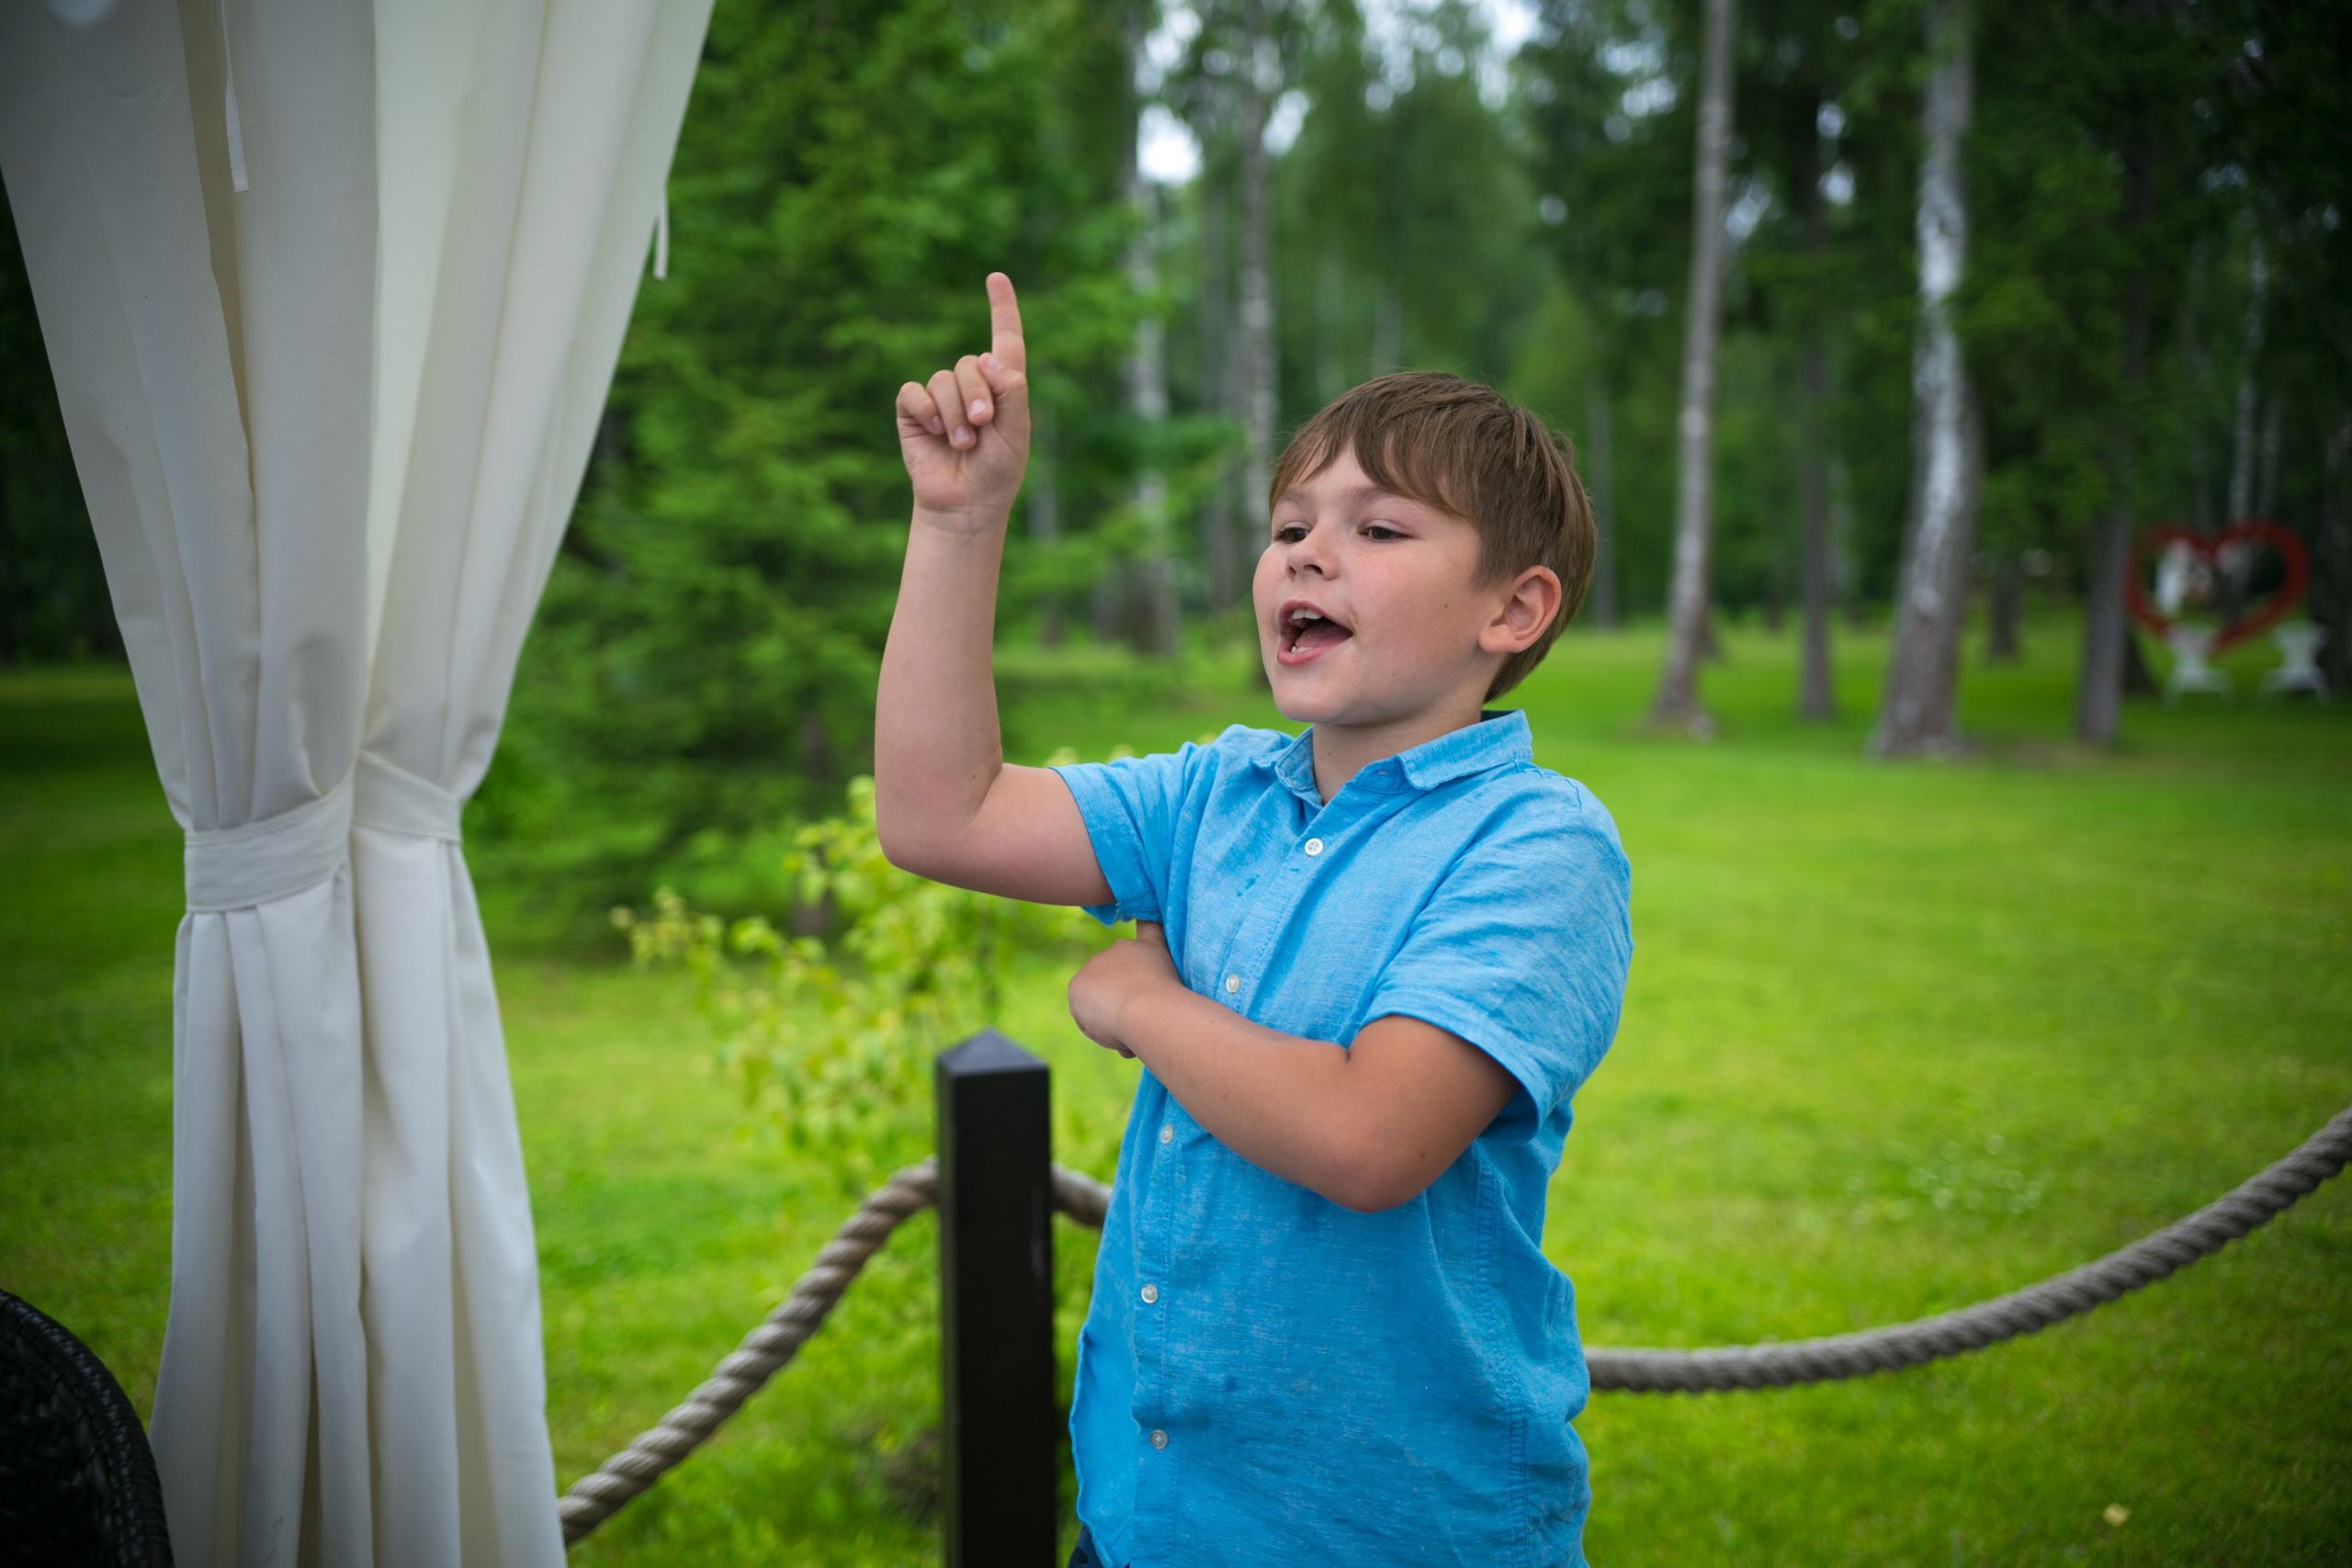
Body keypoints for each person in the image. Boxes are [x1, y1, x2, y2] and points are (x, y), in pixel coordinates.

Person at [876, 275, 1631, 1566]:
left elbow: (1369, 1135)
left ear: (1514, 609)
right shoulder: (1211, 797)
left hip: (1391, 1536)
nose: (1308, 553)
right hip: (1146, 1516)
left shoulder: (1537, 846)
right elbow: (941, 814)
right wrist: (960, 521)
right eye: (1290, 525)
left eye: (1381, 530)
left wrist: (1139, 1004)